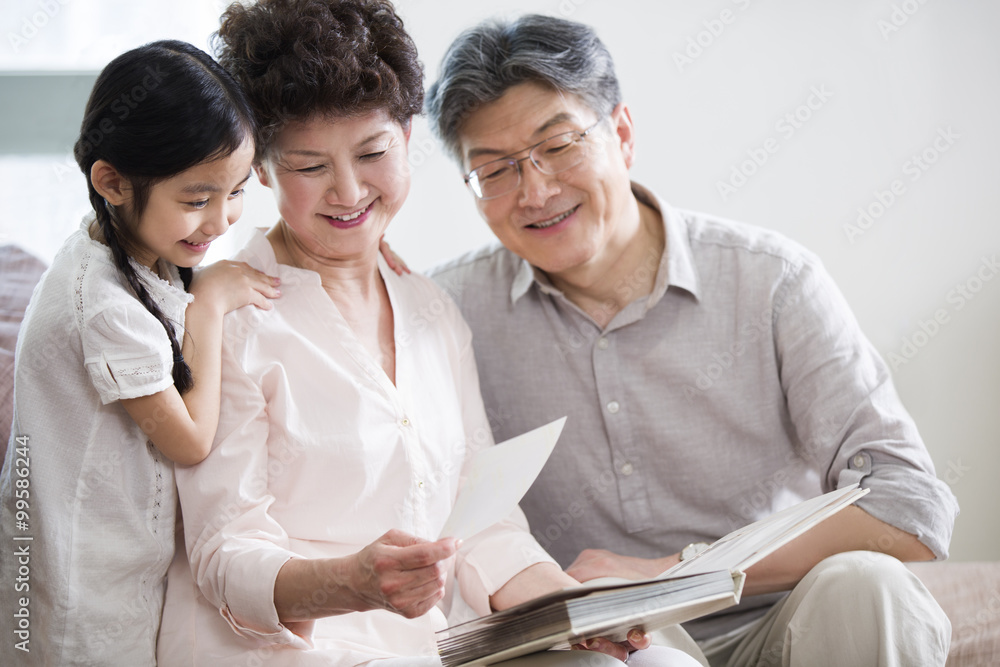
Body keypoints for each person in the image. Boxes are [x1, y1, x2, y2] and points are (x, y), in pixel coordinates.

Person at [156, 2, 700, 666]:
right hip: (300, 654)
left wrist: (573, 607)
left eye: (372, 152)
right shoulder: (228, 316)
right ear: (261, 169)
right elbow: (221, 553)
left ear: (408, 139)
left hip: (441, 647)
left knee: (659, 659)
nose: (349, 190)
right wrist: (349, 580)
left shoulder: (430, 309)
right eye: (308, 167)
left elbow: (482, 520)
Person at [425, 14, 959, 667]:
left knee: (869, 587)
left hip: (787, 620)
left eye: (558, 146)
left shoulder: (772, 282)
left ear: (621, 134)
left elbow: (910, 505)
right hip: (609, 646)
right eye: (495, 170)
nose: (534, 191)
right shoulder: (446, 312)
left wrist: (675, 570)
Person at [0, 40, 280, 665]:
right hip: (83, 590)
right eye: (196, 199)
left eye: (236, 191)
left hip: (114, 564)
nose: (221, 221)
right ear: (113, 181)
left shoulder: (131, 250)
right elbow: (187, 441)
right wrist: (208, 306)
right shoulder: (104, 305)